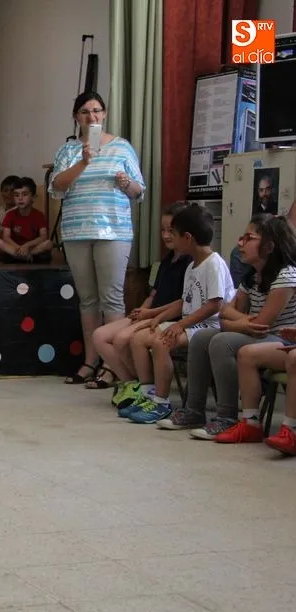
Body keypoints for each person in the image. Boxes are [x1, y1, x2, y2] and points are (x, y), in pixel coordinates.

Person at [157, 214, 296, 437]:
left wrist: (234, 322)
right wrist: (238, 321)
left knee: (223, 342)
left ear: (269, 247)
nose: (240, 243)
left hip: (283, 341)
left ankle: (226, 417)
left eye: (248, 238)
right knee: (202, 338)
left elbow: (261, 325)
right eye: (241, 237)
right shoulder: (252, 277)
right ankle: (194, 411)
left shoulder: (286, 275)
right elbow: (225, 312)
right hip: (261, 338)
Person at [49, 91, 146, 384]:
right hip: (76, 231)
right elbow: (56, 186)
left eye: (96, 111)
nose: (91, 116)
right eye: (84, 112)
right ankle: (90, 361)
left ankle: (113, 365)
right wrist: (83, 162)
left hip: (113, 231)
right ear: (76, 117)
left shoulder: (121, 147)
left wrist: (126, 183)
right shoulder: (68, 150)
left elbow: (139, 191)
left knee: (111, 297)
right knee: (87, 299)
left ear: (104, 114)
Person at [119, 205, 235, 423]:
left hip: (208, 326)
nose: (170, 237)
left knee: (161, 342)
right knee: (138, 338)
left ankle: (161, 403)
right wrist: (157, 318)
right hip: (189, 324)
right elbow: (184, 301)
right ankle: (147, 394)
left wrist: (180, 324)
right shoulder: (192, 267)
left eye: (174, 233)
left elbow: (214, 305)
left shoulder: (214, 264)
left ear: (188, 237)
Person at [91, 204, 191, 395]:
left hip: (167, 318)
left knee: (122, 339)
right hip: (150, 314)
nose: (166, 235)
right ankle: (131, 383)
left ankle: (145, 385)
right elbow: (154, 295)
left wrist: (149, 314)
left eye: (171, 231)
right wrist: (140, 311)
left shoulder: (190, 263)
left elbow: (183, 303)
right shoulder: (166, 261)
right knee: (99, 336)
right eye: (163, 230)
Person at [0, 177, 52, 263]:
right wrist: (19, 248)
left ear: (33, 197)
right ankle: (26, 257)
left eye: (24, 194)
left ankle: (20, 257)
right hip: (15, 247)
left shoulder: (39, 215)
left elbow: (43, 237)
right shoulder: (10, 215)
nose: (20, 198)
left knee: (48, 244)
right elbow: (6, 237)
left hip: (30, 248)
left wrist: (27, 245)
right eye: (16, 195)